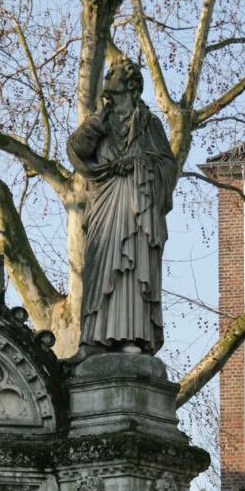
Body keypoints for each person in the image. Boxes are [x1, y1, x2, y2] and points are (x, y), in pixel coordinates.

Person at [67, 56, 177, 355]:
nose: (107, 77)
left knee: (132, 269)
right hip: (104, 204)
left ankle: (131, 335)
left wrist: (140, 165)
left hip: (137, 204)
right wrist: (95, 125)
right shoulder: (100, 120)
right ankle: (94, 339)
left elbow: (168, 165)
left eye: (113, 73)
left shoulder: (149, 124)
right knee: (100, 264)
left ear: (130, 84)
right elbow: (76, 151)